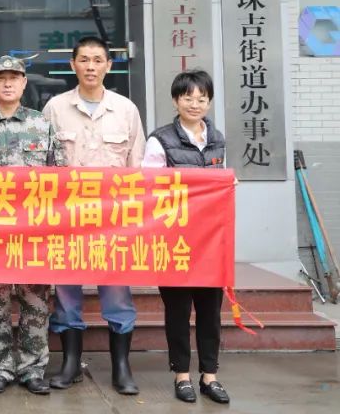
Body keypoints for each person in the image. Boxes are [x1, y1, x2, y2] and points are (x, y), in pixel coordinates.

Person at [42, 36, 145, 395]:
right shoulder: (55, 108)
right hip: (66, 217)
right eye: (84, 59)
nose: (90, 66)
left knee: (117, 294)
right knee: (66, 293)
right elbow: (44, 166)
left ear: (108, 65)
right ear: (73, 65)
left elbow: (137, 168)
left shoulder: (126, 110)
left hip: (112, 221)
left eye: (97, 60)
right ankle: (70, 364)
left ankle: (121, 368)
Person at [0, 55, 65, 396]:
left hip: (34, 232)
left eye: (14, 78)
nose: (7, 83)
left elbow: (60, 179)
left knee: (35, 301)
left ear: (24, 83)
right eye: (1, 78)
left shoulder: (42, 124)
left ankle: (33, 369)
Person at [144, 70, 232, 405]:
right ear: (175, 100)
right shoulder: (160, 140)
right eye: (188, 98)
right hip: (174, 239)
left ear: (209, 102)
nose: (195, 104)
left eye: (202, 98)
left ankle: (210, 375)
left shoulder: (217, 138)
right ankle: (181, 375)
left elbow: (222, 179)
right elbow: (150, 188)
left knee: (211, 311)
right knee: (178, 310)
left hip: (210, 240)